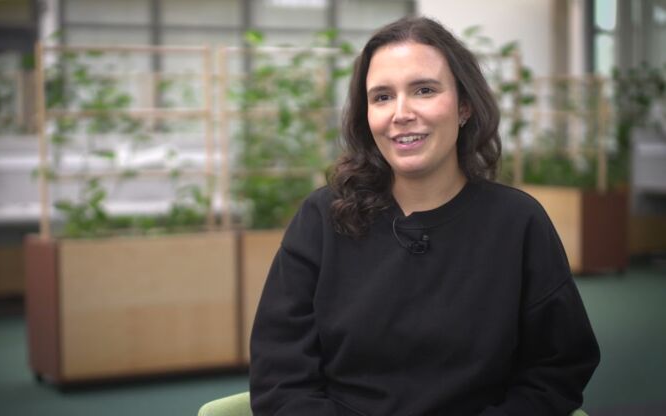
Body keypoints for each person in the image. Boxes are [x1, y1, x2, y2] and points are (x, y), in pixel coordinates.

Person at [249, 16, 600, 416]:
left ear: (464, 106)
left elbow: (557, 371)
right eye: (381, 97)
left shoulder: (518, 223)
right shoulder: (321, 219)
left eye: (424, 90)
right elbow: (280, 380)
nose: (401, 113)